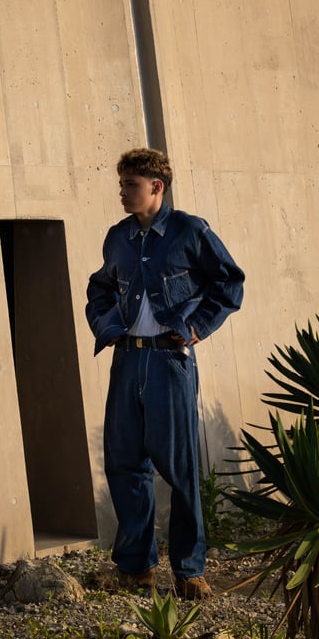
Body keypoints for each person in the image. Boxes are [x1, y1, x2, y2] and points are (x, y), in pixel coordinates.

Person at [86, 148, 245, 599]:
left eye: (130, 185)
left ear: (156, 187)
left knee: (180, 470)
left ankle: (189, 571)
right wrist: (107, 325)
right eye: (121, 184)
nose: (122, 192)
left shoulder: (189, 231)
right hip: (127, 361)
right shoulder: (118, 237)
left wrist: (196, 328)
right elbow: (99, 287)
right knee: (124, 464)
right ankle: (137, 568)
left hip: (169, 363)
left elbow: (229, 282)